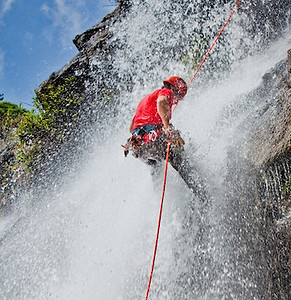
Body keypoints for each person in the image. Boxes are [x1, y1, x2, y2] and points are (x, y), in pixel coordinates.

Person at [122, 76, 207, 201]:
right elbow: (162, 102)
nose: (176, 102)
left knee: (155, 166)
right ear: (175, 90)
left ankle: (157, 198)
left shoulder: (145, 100)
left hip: (138, 147)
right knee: (179, 159)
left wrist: (161, 123)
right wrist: (167, 127)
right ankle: (202, 193)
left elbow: (132, 127)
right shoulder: (167, 92)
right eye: (178, 99)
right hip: (153, 139)